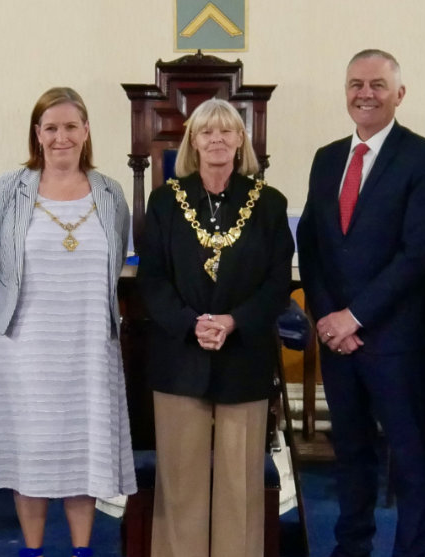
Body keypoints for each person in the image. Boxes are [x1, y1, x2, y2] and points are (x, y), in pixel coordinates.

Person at [0, 87, 135, 557]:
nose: (61, 137)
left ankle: (82, 550)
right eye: (51, 128)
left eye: (70, 127)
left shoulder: (109, 192)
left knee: (84, 453)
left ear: (85, 132)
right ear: (36, 134)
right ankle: (33, 549)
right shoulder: (9, 189)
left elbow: (117, 254)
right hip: (25, 345)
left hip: (88, 343)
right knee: (33, 452)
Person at [296, 49, 425, 557]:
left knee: (409, 457)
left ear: (399, 94)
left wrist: (355, 316)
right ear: (345, 91)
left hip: (395, 338)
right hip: (339, 342)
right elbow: (311, 245)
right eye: (356, 83)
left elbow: (415, 252)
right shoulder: (326, 158)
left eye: (378, 85)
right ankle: (351, 545)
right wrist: (327, 317)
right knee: (351, 452)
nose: (366, 93)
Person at [137, 98, 294, 557]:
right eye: (207, 132)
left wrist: (232, 322)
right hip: (179, 357)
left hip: (244, 357)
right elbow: (153, 278)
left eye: (227, 131)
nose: (218, 140)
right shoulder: (165, 200)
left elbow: (277, 282)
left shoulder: (269, 203)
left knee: (238, 483)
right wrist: (192, 325)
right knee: (181, 482)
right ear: (193, 141)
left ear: (241, 140)